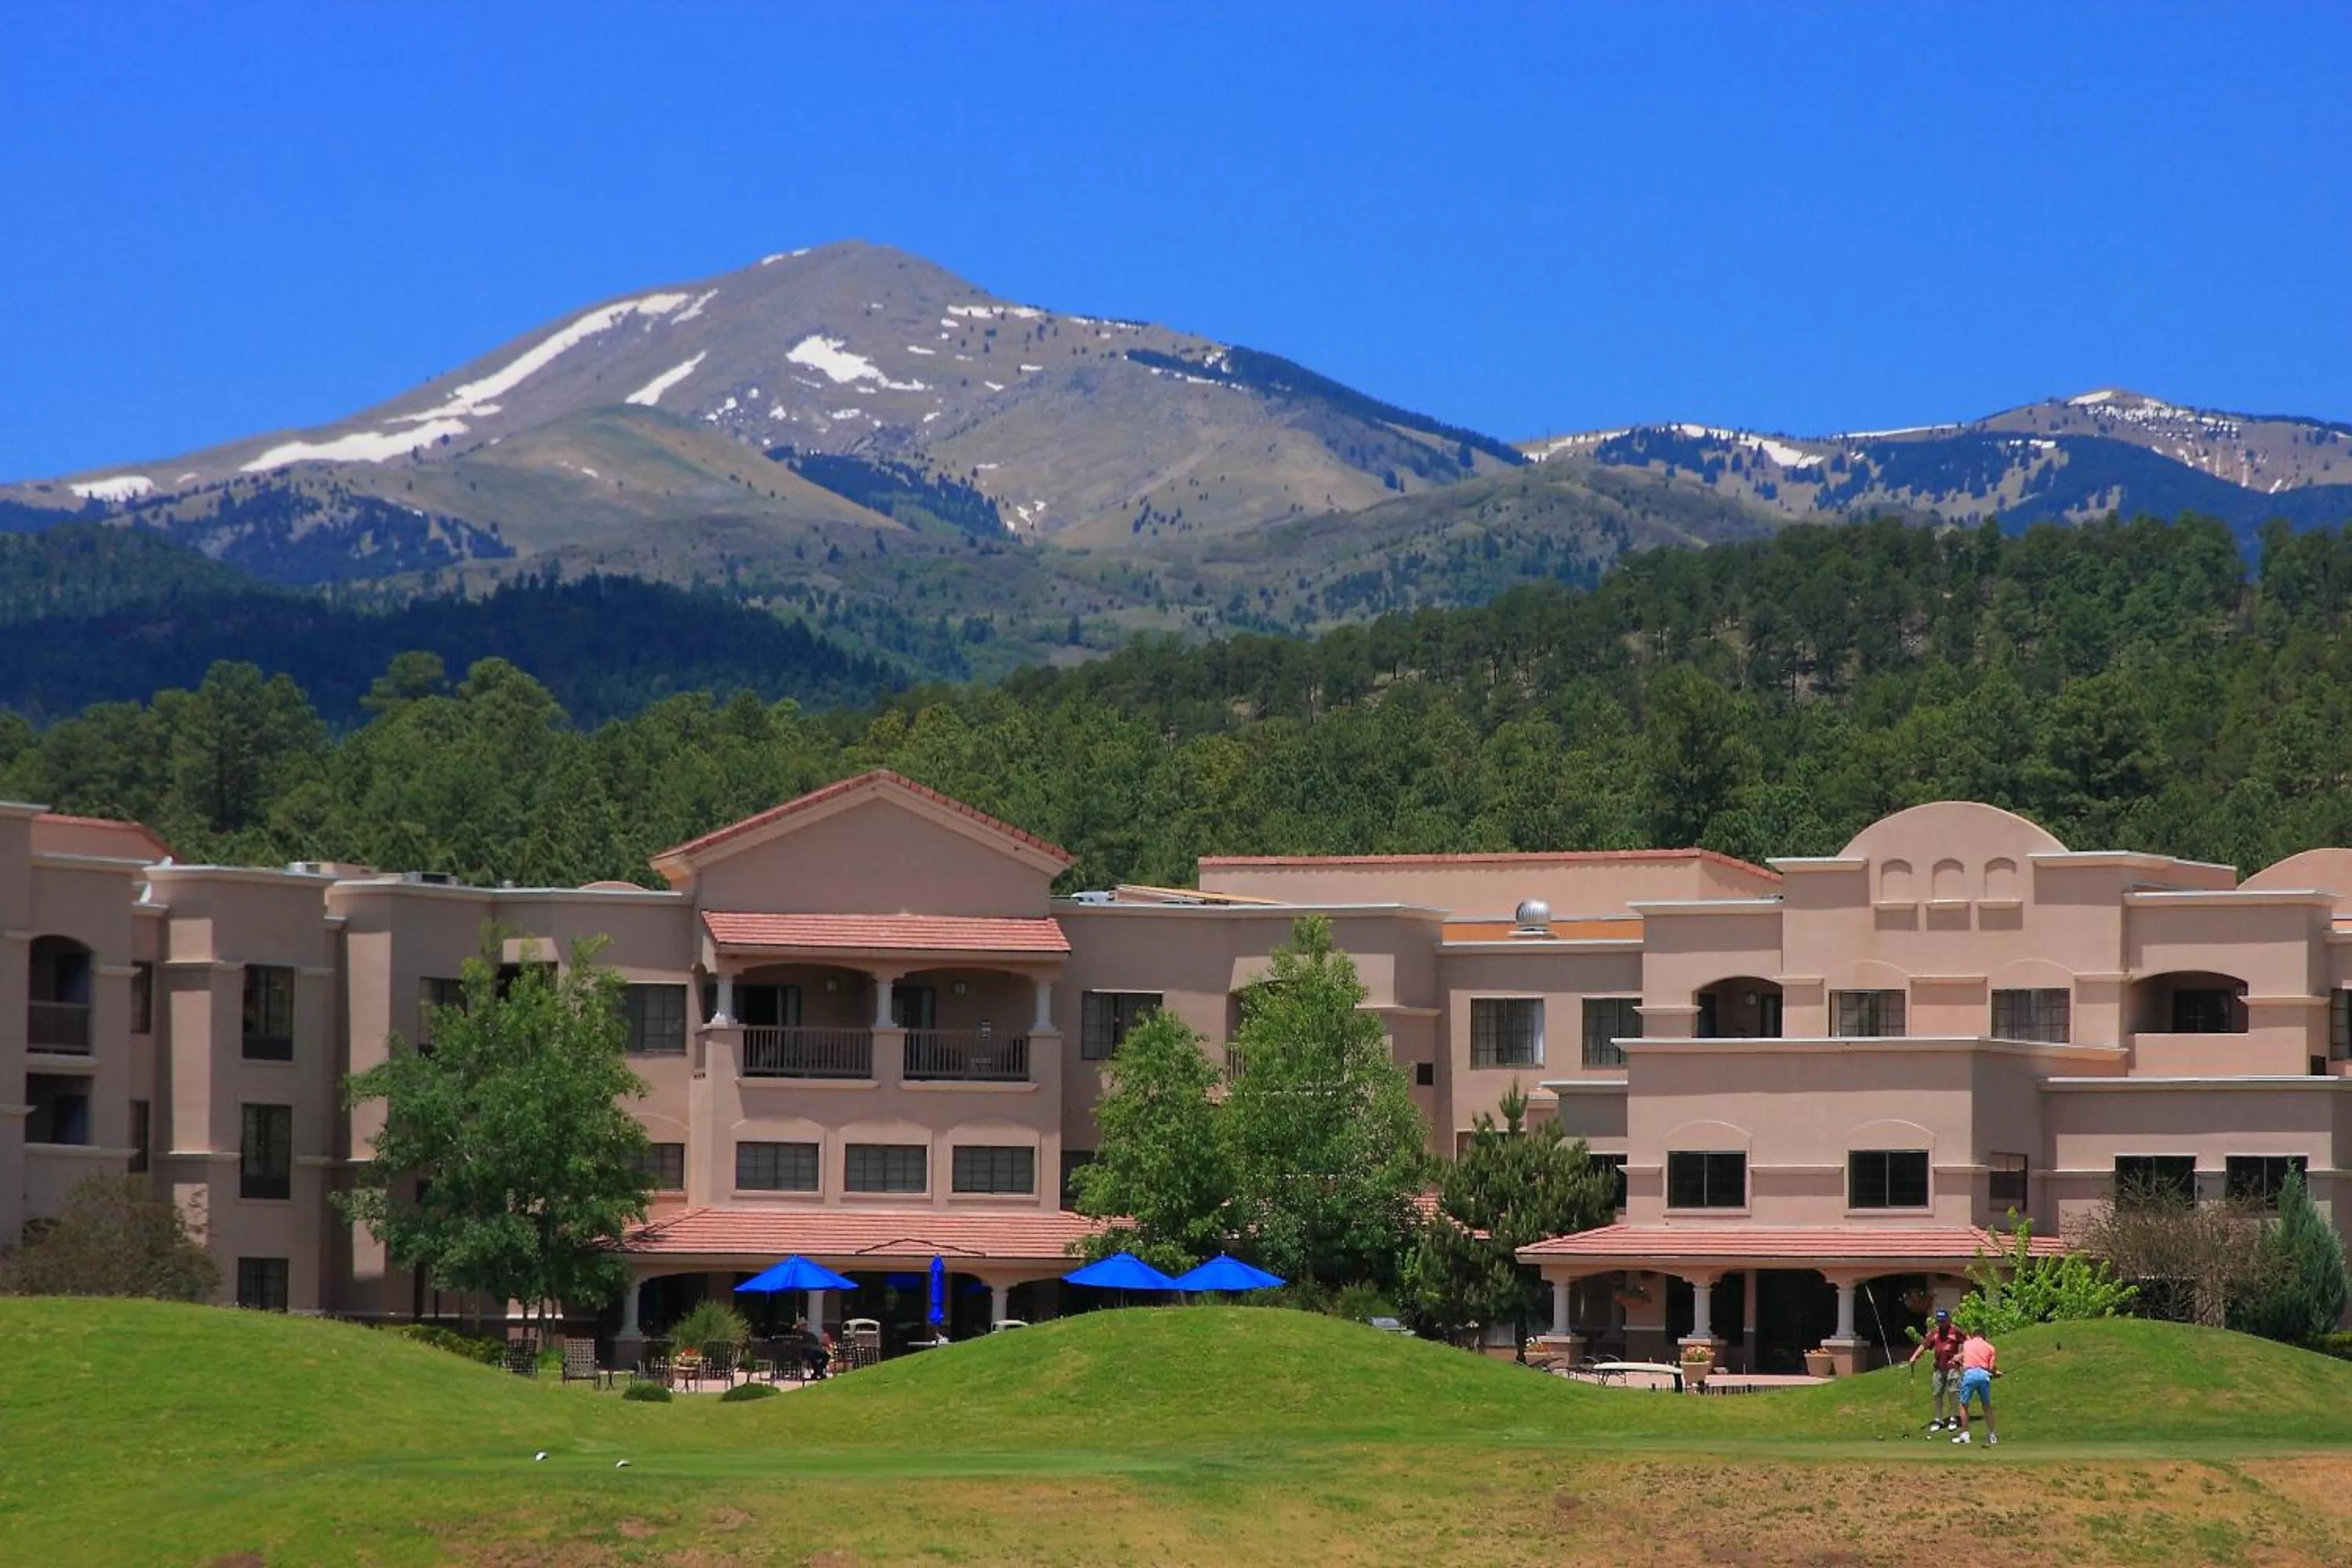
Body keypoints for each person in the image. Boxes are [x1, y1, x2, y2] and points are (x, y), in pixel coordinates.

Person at [1908, 1308, 1965, 1432]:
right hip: (1939, 1368)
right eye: (1939, 1321)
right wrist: (1914, 1357)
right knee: (1937, 1393)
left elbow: (1967, 1344)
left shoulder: (1955, 1331)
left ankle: (1953, 1418)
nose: (1941, 1324)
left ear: (1948, 1320)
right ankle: (1938, 1419)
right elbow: (1924, 1345)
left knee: (1953, 1393)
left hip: (1953, 1367)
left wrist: (1960, 1355)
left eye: (1943, 1321)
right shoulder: (1935, 1333)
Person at [1951, 1328, 1999, 1446]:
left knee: (1964, 1404)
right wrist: (1996, 1373)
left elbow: (1960, 1359)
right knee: (1986, 1406)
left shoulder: (1967, 1344)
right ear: (1984, 1337)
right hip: (1983, 1375)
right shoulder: (1990, 1347)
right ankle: (1992, 1435)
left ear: (1974, 1336)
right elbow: (1991, 1367)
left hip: (1970, 1374)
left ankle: (1965, 1434)